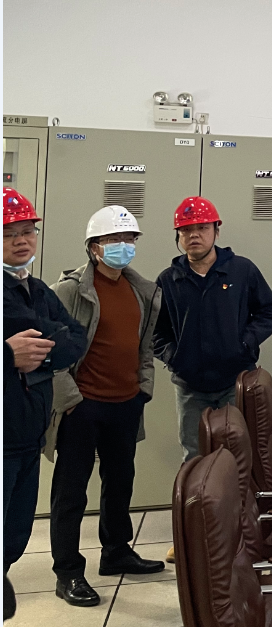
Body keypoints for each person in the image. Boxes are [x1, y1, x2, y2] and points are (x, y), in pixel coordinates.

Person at [46, 207, 165, 607]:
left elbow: (144, 346)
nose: (124, 246)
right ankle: (68, 572)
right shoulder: (69, 291)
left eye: (130, 239)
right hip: (83, 406)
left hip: (125, 404)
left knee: (120, 483)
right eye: (114, 240)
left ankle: (116, 552)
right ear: (94, 246)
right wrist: (71, 401)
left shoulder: (142, 290)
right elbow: (52, 352)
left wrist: (142, 389)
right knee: (71, 492)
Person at [152, 196, 272, 563]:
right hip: (190, 387)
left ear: (216, 231)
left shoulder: (241, 271)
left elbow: (269, 311)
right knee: (194, 459)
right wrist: (174, 357)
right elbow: (156, 333)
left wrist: (246, 342)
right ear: (178, 236)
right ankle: (192, 536)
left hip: (234, 382)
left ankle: (243, 532)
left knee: (238, 459)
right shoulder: (169, 279)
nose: (194, 235)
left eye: (202, 228)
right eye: (186, 230)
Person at [3, 189, 86, 618]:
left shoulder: (35, 289)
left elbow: (75, 338)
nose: (21, 240)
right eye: (9, 233)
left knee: (14, 535)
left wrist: (36, 352)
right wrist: (7, 355)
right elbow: (48, 336)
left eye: (27, 231)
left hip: (28, 435)